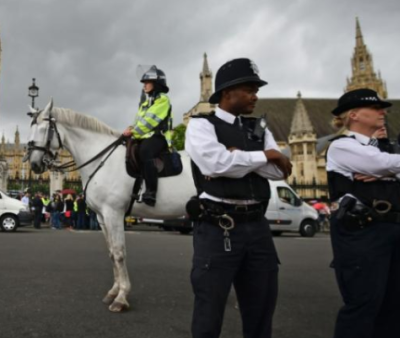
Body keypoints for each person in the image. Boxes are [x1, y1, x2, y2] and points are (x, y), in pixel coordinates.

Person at [185, 58, 292, 338]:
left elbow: (279, 172)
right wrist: (266, 155)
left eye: (256, 89)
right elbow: (215, 164)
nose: (255, 96)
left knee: (261, 311)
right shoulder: (200, 125)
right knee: (209, 311)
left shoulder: (259, 128)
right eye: (249, 89)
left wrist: (240, 158)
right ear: (226, 92)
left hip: (258, 228)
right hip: (218, 226)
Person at [326, 88, 400, 338]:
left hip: (392, 230)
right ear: (354, 115)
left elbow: (384, 164)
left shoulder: (383, 149)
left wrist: (390, 168)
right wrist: (389, 168)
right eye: (376, 108)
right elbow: (382, 164)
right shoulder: (342, 146)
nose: (383, 112)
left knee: (393, 307)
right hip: (362, 233)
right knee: (363, 305)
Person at [123, 65, 173, 206]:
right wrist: (131, 128)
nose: (144, 85)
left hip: (159, 137)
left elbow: (150, 121)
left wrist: (134, 131)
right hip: (145, 136)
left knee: (145, 151)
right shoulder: (145, 102)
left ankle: (151, 192)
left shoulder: (163, 100)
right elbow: (139, 121)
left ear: (156, 84)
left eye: (147, 82)